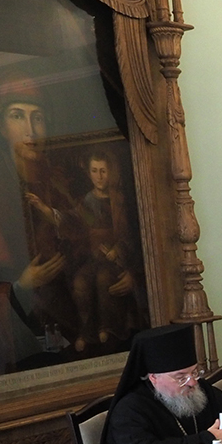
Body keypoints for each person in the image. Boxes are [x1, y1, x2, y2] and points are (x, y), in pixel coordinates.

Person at [0, 75, 82, 378]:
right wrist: (22, 285)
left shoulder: (61, 185)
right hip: (21, 342)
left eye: (38, 118)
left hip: (73, 328)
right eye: (17, 116)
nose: (30, 130)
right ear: (0, 126)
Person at [71, 150, 145, 352]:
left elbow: (130, 235)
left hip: (115, 261)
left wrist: (117, 250)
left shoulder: (119, 201)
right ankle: (87, 331)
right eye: (94, 171)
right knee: (80, 282)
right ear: (89, 173)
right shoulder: (85, 201)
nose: (99, 176)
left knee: (104, 279)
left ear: (110, 172)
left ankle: (109, 328)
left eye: (103, 171)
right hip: (94, 259)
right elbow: (78, 230)